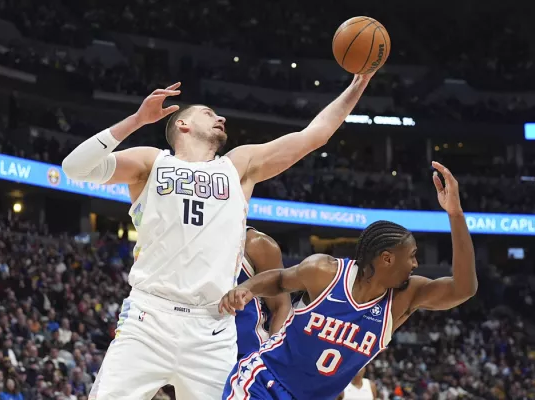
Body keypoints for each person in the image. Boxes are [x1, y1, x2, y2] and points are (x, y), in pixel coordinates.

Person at [62, 74, 375, 400]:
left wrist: (357, 86)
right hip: (148, 319)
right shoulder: (151, 161)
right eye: (210, 113)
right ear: (182, 124)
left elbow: (315, 136)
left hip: (212, 329)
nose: (221, 117)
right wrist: (137, 120)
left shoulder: (238, 166)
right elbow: (75, 168)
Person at [219, 162, 477, 400]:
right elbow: (279, 279)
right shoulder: (325, 272)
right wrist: (246, 288)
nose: (416, 264)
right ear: (387, 259)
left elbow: (464, 288)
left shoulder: (404, 298)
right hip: (263, 383)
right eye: (411, 256)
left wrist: (455, 215)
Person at [235, 227, 291, 360]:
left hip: (248, 353)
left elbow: (281, 305)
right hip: (195, 343)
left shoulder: (256, 244)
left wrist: (273, 356)